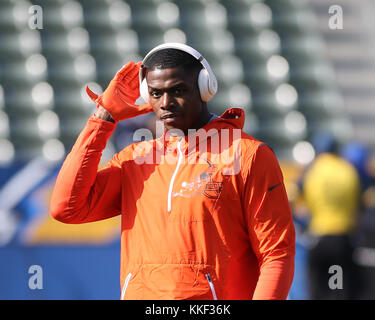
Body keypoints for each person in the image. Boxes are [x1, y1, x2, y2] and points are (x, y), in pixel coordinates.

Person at [50, 43, 295, 300]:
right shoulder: (135, 159)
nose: (166, 103)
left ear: (204, 88)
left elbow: (276, 254)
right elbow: (66, 208)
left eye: (178, 90)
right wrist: (102, 118)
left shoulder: (248, 155)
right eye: (155, 93)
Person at [302, 133, 361, 299]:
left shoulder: (313, 170)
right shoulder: (348, 170)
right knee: (339, 288)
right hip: (342, 238)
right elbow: (356, 204)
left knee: (317, 289)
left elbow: (305, 204)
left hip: (318, 237)